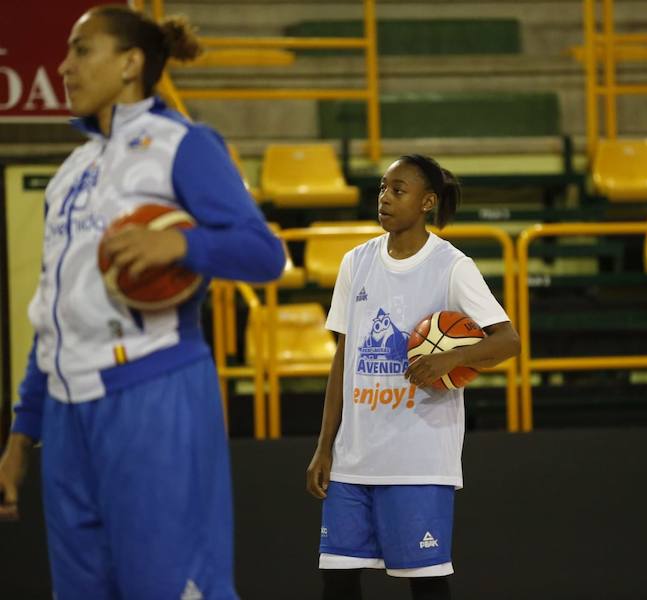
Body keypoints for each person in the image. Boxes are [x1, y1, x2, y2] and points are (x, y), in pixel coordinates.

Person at [0, 6, 285, 599]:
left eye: (82, 50)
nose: (64, 65)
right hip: (65, 411)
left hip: (153, 392)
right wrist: (21, 434)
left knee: (170, 588)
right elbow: (55, 309)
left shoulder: (183, 144)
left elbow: (264, 255)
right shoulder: (69, 173)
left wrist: (179, 241)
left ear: (130, 63)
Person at [305, 154, 521, 600]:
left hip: (418, 461)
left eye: (397, 190)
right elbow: (343, 361)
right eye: (382, 188)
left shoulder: (452, 266)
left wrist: (451, 358)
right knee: (337, 580)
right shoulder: (355, 263)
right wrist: (325, 447)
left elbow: (508, 341)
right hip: (353, 460)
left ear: (427, 202)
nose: (384, 198)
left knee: (426, 586)